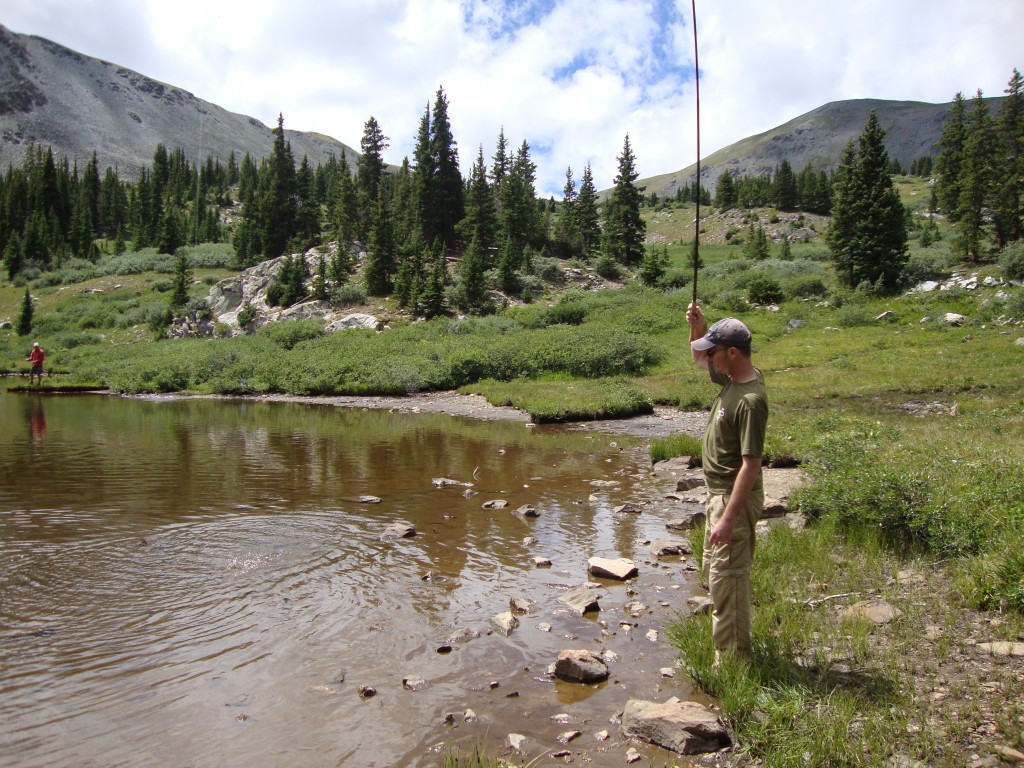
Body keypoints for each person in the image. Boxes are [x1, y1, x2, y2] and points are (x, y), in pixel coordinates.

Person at [685, 303, 768, 661]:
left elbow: (751, 465)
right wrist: (699, 327)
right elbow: (698, 358)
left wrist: (728, 519)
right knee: (716, 578)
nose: (709, 358)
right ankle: (728, 657)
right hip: (717, 497)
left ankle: (734, 667)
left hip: (730, 502)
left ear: (732, 353)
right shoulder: (734, 378)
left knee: (729, 581)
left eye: (715, 351)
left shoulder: (750, 400)